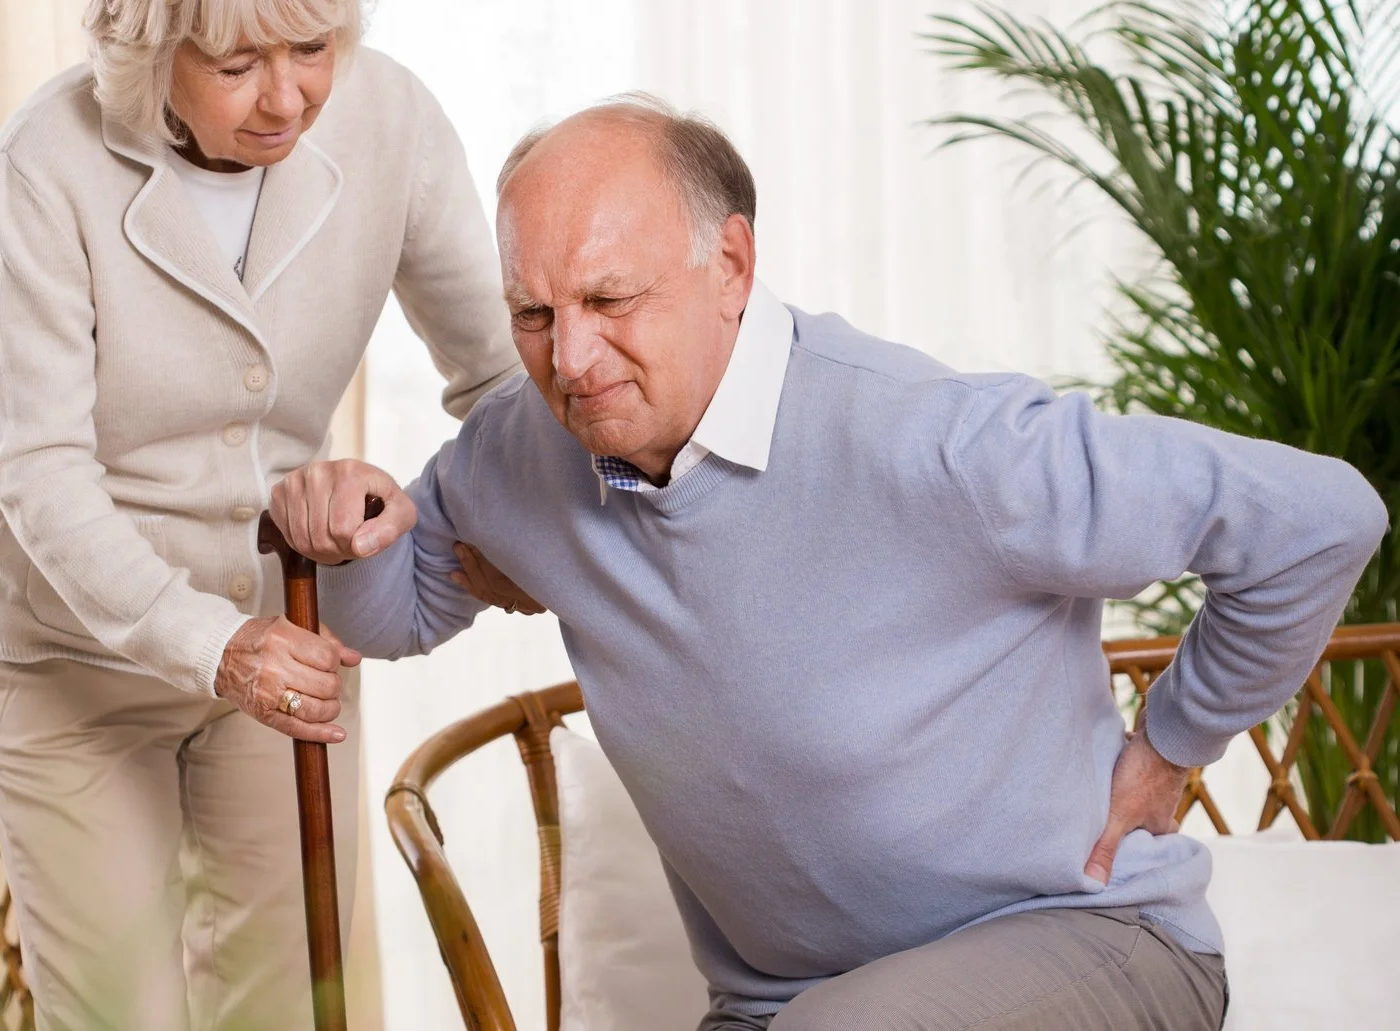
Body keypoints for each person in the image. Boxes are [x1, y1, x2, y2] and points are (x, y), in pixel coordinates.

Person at [271, 96, 1389, 1030]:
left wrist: (1176, 738)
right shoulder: (535, 444)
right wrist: (349, 526)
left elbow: (1316, 517)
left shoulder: (938, 443)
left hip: (1090, 942)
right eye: (532, 312)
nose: (568, 357)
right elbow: (399, 607)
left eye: (611, 299)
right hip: (779, 1001)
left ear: (732, 265)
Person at [0, 0, 534, 1026]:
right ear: (148, 50)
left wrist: (523, 539)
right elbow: (38, 464)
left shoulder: (388, 119)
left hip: (287, 624)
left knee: (289, 1003)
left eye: (313, 48)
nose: (287, 96)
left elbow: (499, 374)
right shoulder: (45, 162)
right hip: (74, 657)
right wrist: (214, 644)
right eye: (235, 60)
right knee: (118, 1011)